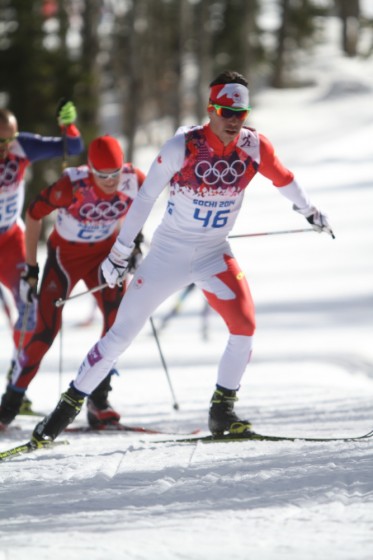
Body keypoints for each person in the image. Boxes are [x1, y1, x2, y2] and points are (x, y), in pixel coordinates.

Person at [30, 70, 334, 443]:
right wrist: (119, 254)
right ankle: (60, 416)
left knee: (245, 326)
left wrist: (310, 212)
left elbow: (283, 178)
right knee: (119, 336)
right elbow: (144, 199)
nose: (234, 121)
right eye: (226, 112)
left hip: (213, 253)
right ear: (211, 109)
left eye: (241, 113)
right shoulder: (182, 147)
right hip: (167, 256)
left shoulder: (254, 147)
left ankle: (222, 411)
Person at [0, 135, 145, 430]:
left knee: (119, 325)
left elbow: (139, 208)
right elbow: (32, 214)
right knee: (45, 332)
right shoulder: (71, 186)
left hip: (105, 257)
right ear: (90, 169)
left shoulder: (134, 179)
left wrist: (134, 242)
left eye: (115, 173)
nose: (110, 181)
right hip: (65, 259)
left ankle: (98, 400)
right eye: (102, 175)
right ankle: (9, 406)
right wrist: (30, 266)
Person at [0, 101, 84, 411]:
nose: (7, 147)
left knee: (30, 309)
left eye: (10, 138)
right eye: (1, 142)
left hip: (10, 241)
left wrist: (68, 126)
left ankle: (14, 385)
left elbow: (73, 146)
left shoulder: (21, 146)